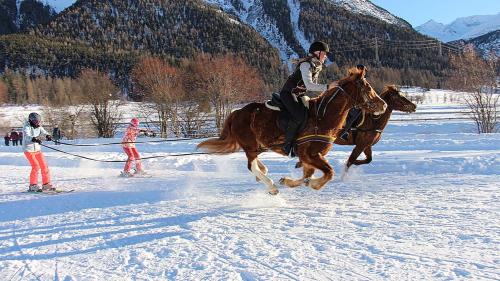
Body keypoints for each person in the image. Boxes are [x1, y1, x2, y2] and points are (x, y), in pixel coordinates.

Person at [279, 41, 337, 157]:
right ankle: (287, 145)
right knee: (299, 116)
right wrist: (327, 87)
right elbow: (310, 85)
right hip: (288, 94)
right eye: (324, 53)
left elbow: (311, 87)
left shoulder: (316, 66)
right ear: (317, 53)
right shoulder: (306, 65)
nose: (325, 56)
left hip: (299, 95)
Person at [22, 112, 55, 192]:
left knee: (44, 166)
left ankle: (46, 184)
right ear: (31, 120)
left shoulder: (38, 126)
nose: (37, 123)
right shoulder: (27, 127)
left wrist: (48, 135)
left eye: (38, 121)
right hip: (28, 150)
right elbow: (27, 136)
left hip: (37, 150)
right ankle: (33, 185)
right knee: (36, 166)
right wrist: (34, 139)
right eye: (35, 121)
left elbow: (44, 132)